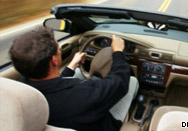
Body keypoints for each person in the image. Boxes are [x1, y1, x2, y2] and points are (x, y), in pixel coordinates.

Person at [9, 27, 138, 131]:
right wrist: (118, 52)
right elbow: (119, 83)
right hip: (101, 124)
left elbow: (52, 86)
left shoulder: (21, 88)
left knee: (77, 71)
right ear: (54, 60)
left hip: (65, 118)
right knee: (131, 82)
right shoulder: (82, 94)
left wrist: (71, 66)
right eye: (58, 49)